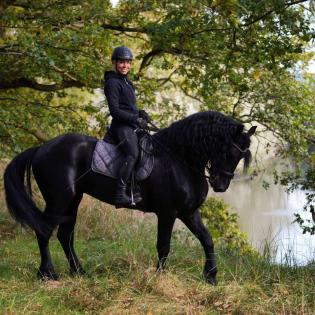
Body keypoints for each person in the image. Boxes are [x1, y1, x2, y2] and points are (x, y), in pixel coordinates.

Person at [104, 46, 150, 208]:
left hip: (130, 125)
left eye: (128, 63)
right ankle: (120, 193)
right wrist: (135, 119)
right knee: (132, 153)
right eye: (122, 62)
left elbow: (128, 106)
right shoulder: (112, 83)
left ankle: (136, 188)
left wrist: (140, 112)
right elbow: (115, 111)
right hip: (121, 127)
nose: (125, 65)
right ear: (115, 63)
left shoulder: (127, 83)